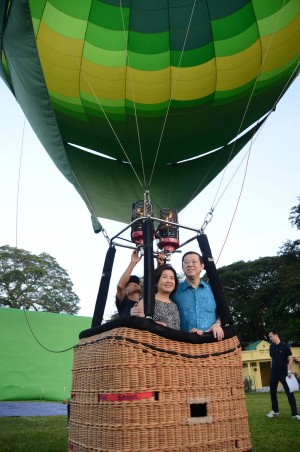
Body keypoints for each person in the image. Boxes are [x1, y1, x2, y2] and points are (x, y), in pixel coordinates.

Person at [170, 251, 224, 340]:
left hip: (212, 342)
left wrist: (217, 324)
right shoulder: (174, 291)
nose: (190, 265)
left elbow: (223, 311)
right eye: (186, 262)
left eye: (194, 262)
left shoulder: (213, 289)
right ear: (182, 267)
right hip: (183, 344)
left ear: (202, 266)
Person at [130, 264, 180, 330]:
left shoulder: (174, 305)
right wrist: (154, 325)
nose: (169, 281)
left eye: (172, 278)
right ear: (156, 282)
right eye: (164, 277)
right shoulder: (146, 302)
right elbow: (138, 326)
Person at [266, 330, 300, 420]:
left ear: (276, 335)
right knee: (272, 393)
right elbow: (272, 359)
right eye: (269, 337)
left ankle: (295, 414)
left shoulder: (285, 346)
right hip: (274, 373)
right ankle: (275, 411)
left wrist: (289, 371)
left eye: (270, 336)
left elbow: (290, 358)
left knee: (290, 393)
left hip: (284, 373)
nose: (270, 338)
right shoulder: (271, 346)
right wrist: (271, 369)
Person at [116, 250, 142, 318]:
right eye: (131, 284)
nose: (135, 284)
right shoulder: (124, 304)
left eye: (137, 283)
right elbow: (120, 286)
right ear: (125, 291)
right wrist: (133, 263)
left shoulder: (145, 304)